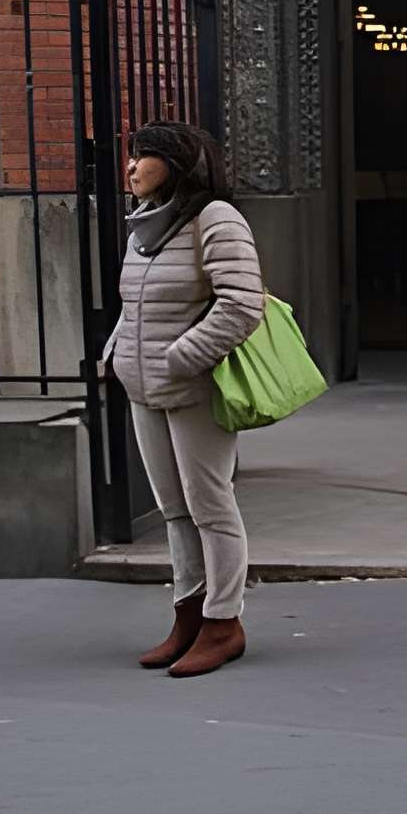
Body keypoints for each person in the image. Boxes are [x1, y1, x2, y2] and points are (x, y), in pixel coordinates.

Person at [98, 120, 263, 677]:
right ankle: (187, 617)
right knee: (174, 510)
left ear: (177, 163)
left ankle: (224, 624)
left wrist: (181, 358)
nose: (131, 167)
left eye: (143, 156)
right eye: (132, 156)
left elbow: (241, 304)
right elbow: (134, 302)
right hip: (142, 386)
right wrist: (117, 354)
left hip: (193, 387)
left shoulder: (215, 218)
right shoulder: (145, 225)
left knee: (210, 506)